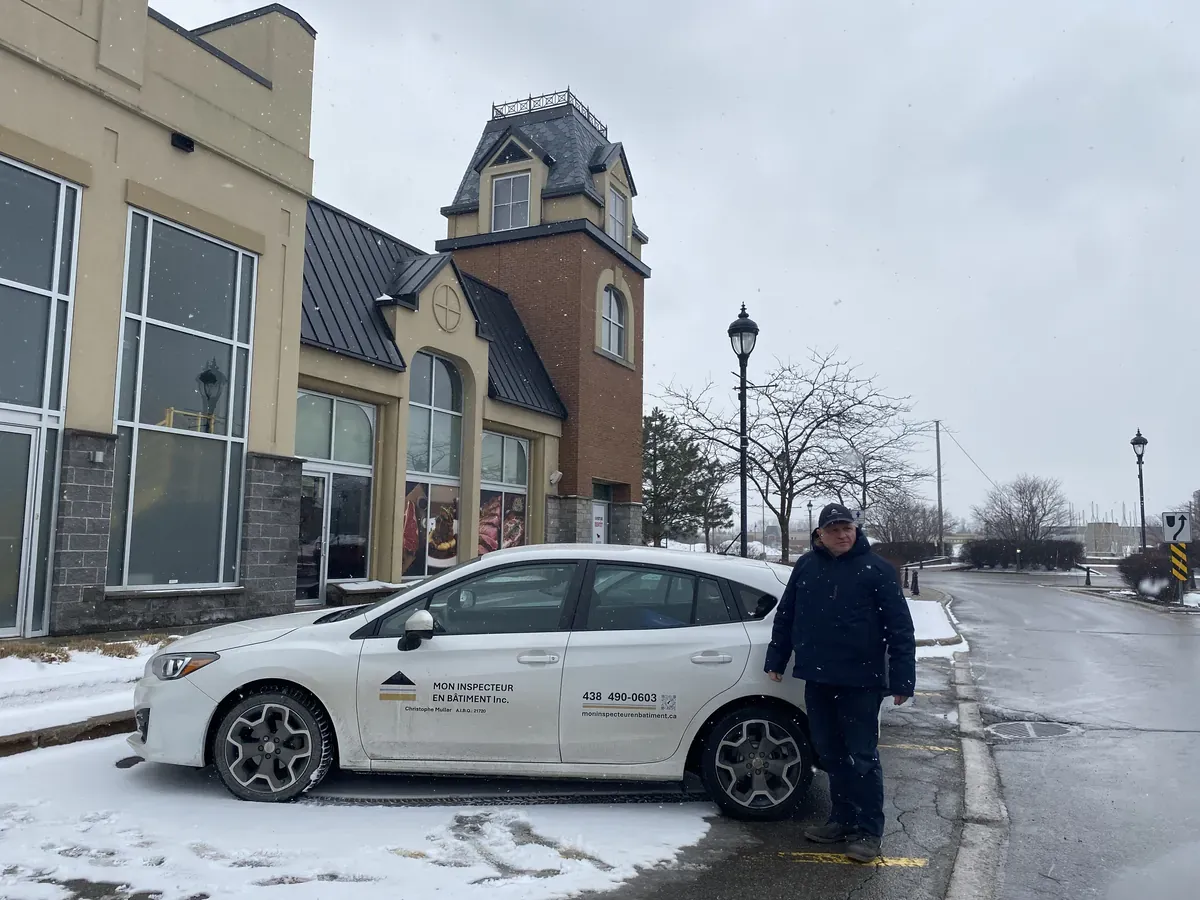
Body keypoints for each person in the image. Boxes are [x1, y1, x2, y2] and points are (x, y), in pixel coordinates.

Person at [765, 503, 916, 863]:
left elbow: (900, 628)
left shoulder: (877, 570)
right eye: (834, 529)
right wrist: (777, 657)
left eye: (847, 528)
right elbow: (786, 614)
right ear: (820, 534)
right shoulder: (806, 567)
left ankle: (868, 831)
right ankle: (841, 820)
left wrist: (902, 678)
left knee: (861, 756)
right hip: (818, 677)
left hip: (861, 680)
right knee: (831, 753)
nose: (843, 534)